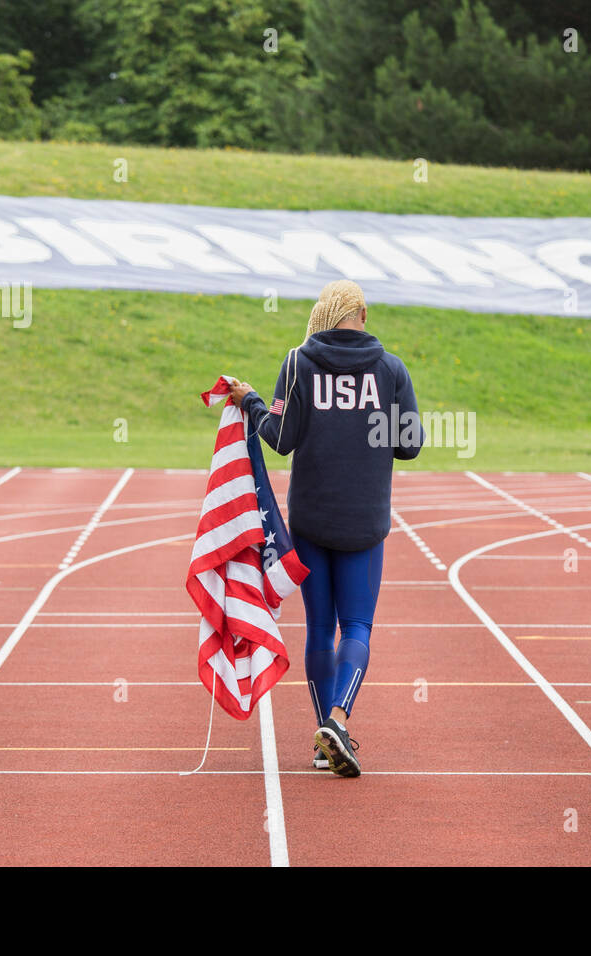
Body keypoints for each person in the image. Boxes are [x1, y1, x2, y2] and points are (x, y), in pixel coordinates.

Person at [228, 280, 424, 777]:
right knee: (356, 626)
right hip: (364, 519)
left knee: (319, 628)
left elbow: (280, 439)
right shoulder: (391, 369)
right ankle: (337, 720)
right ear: (360, 311)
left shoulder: (298, 363)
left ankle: (323, 739)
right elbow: (410, 445)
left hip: (312, 518)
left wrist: (252, 401)